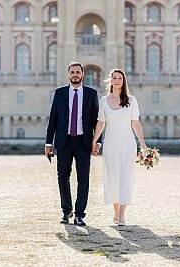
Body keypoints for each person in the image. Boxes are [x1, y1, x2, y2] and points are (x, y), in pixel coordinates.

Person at [45, 62, 102, 226]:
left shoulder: (91, 94)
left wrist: (97, 141)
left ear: (82, 74)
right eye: (72, 72)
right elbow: (53, 119)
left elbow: (96, 120)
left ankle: (79, 214)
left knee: (83, 178)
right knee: (62, 176)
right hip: (64, 140)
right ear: (68, 74)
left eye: (78, 72)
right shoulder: (60, 93)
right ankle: (66, 211)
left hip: (83, 141)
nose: (75, 74)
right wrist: (49, 142)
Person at [92, 68, 147, 226]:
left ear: (124, 82)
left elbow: (135, 122)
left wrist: (142, 144)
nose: (117, 80)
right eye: (114, 78)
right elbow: (101, 122)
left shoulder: (131, 100)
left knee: (125, 176)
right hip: (110, 142)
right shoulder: (104, 101)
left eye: (120, 78)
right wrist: (94, 140)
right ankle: (116, 212)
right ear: (111, 81)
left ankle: (122, 214)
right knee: (113, 176)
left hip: (127, 142)